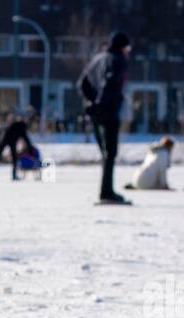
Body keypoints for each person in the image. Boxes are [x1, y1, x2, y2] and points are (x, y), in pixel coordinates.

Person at [78, 31, 131, 204]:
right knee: (111, 153)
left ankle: (106, 191)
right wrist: (100, 104)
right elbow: (109, 83)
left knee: (106, 154)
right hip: (108, 112)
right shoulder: (117, 60)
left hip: (96, 114)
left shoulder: (97, 59)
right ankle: (106, 193)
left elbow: (82, 83)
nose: (128, 52)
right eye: (127, 48)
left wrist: (91, 103)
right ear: (122, 47)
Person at [0, 114, 32, 181]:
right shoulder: (21, 126)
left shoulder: (12, 124)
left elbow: (1, 130)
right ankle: (14, 175)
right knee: (14, 158)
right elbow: (26, 138)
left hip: (3, 139)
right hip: (11, 141)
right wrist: (30, 148)